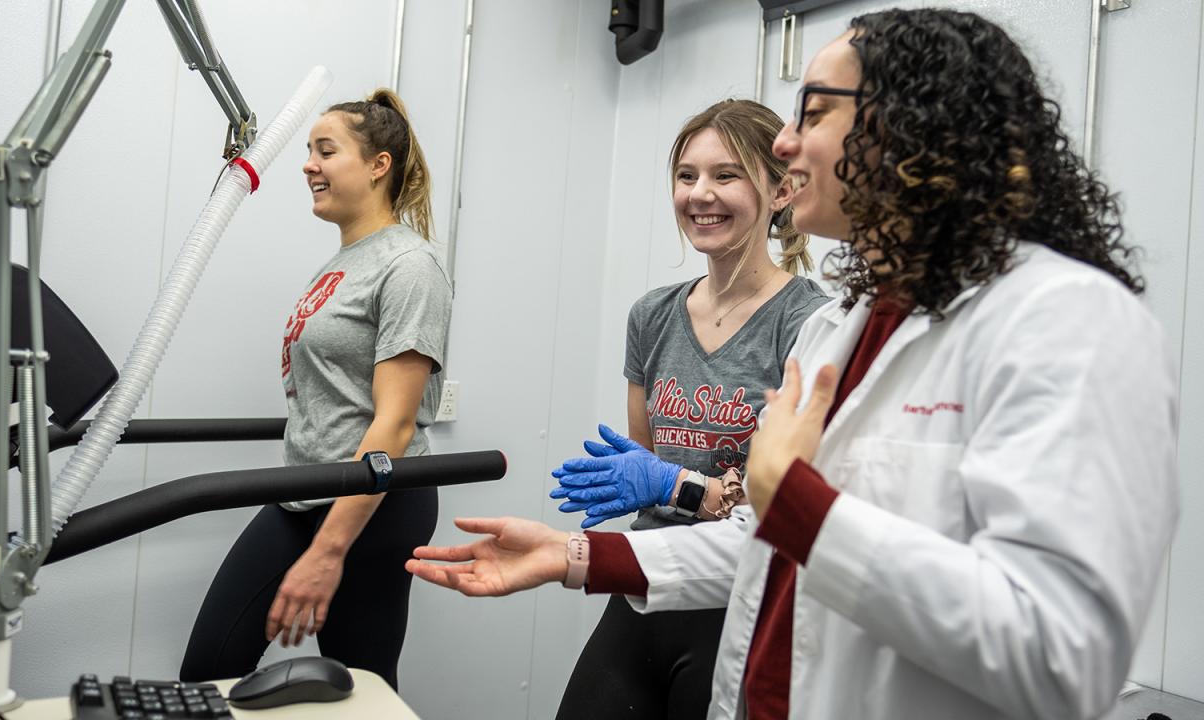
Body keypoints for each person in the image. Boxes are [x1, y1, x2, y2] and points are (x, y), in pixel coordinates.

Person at [407, 9, 1178, 720]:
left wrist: (799, 503)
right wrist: (575, 555)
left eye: (812, 113)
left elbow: (1061, 655)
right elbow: (767, 540)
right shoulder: (841, 328)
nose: (783, 144)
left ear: (909, 125)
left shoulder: (1066, 320)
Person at [548, 99, 827, 720]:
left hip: (737, 600)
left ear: (779, 191)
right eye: (687, 175)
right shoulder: (652, 315)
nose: (701, 194)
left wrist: (675, 484)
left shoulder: (807, 320)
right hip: (648, 575)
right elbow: (645, 462)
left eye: (726, 175)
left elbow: (781, 498)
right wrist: (660, 482)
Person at [181, 88, 451, 691]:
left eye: (325, 151)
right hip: (306, 490)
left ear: (378, 165)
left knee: (362, 687)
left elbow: (396, 425)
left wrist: (329, 553)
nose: (309, 164)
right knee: (208, 668)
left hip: (375, 503)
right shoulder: (342, 263)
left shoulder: (410, 266)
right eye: (309, 151)